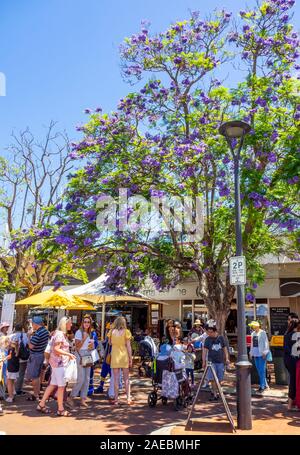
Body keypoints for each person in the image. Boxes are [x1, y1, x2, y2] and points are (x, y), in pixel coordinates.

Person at [37, 316, 76, 416]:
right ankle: (60, 408)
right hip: (59, 364)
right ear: (65, 323)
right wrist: (69, 354)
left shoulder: (59, 334)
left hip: (56, 363)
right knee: (61, 386)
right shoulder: (60, 334)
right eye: (70, 323)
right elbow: (56, 349)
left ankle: (41, 404)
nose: (71, 325)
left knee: (53, 384)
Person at [70, 315, 94, 407]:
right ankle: (71, 397)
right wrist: (84, 338)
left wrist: (91, 346)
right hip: (80, 355)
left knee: (87, 379)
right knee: (81, 378)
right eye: (85, 322)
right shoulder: (79, 332)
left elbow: (90, 346)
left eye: (88, 322)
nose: (86, 324)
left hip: (88, 354)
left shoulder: (90, 333)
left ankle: (83, 399)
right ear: (82, 323)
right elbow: (77, 347)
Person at [108, 316, 132, 406]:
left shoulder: (111, 332)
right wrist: (130, 358)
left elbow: (110, 343)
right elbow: (128, 346)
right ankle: (128, 398)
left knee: (116, 379)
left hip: (115, 355)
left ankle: (116, 399)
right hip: (124, 355)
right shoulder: (127, 332)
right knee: (126, 378)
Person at [202, 322, 230, 401]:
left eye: (210, 332)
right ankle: (214, 393)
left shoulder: (221, 338)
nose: (209, 333)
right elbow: (204, 351)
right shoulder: (207, 339)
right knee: (213, 379)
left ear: (215, 331)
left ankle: (216, 391)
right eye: (208, 332)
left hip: (220, 362)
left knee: (220, 378)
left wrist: (227, 358)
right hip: (211, 362)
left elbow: (225, 349)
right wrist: (204, 361)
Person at [26, 316, 50, 401]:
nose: (32, 325)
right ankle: (38, 393)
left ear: (36, 324)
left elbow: (31, 346)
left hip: (35, 356)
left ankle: (36, 395)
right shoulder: (45, 331)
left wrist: (29, 336)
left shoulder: (38, 333)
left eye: (32, 323)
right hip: (41, 354)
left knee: (34, 376)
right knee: (38, 375)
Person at [249, 321, 270, 394]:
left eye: (254, 326)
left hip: (261, 354)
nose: (253, 327)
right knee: (259, 370)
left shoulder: (263, 333)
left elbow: (266, 343)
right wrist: (251, 353)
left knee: (262, 370)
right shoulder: (252, 334)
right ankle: (265, 385)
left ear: (257, 326)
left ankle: (262, 386)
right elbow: (252, 344)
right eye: (252, 326)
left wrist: (265, 352)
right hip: (255, 354)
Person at [10, 324, 29, 396]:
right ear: (22, 328)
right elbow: (28, 345)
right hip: (23, 358)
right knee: (21, 374)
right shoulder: (25, 335)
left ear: (15, 328)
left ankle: (11, 389)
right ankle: (18, 389)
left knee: (11, 373)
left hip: (13, 358)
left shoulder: (11, 336)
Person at [6, 337, 20, 403]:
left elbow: (8, 358)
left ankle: (10, 397)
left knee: (9, 383)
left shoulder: (11, 350)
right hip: (15, 369)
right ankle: (13, 393)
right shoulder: (17, 349)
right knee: (12, 382)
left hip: (11, 369)